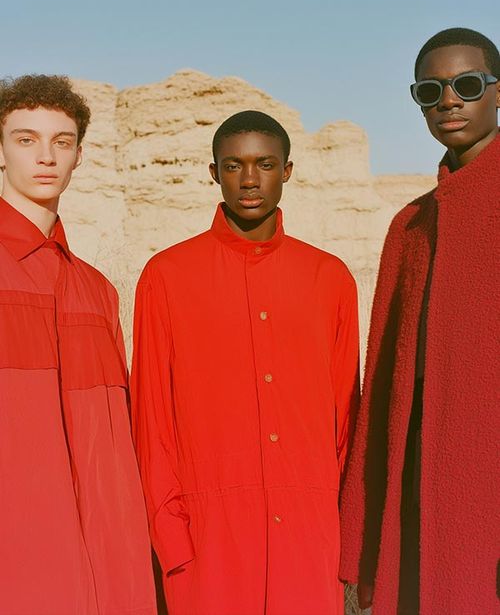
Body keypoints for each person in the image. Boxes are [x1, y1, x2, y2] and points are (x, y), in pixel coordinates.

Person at [131, 110, 360, 615]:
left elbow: (347, 421)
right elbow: (152, 420)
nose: (250, 180)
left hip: (311, 539)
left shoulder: (330, 278)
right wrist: (172, 540)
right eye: (234, 166)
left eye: (265, 164)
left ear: (288, 171)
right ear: (214, 173)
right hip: (208, 543)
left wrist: (347, 539)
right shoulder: (166, 277)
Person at [339, 28, 500, 615]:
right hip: (417, 486)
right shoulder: (408, 226)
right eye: (430, 90)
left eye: (466, 85)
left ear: (497, 90)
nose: (448, 101)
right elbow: (383, 385)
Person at [0, 74, 157, 615]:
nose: (46, 156)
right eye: (25, 139)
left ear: (79, 155)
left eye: (61, 142)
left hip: (109, 566)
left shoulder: (97, 291)